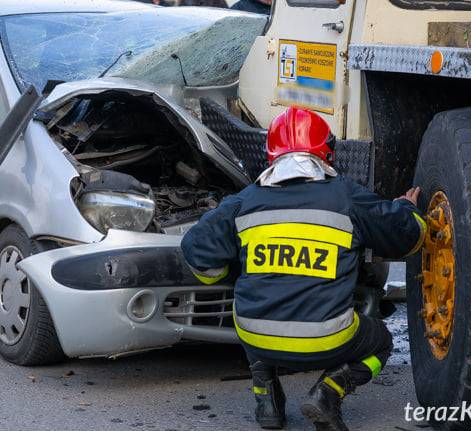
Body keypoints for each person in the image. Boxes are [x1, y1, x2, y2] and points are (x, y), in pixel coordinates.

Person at [180, 107, 426, 430]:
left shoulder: (243, 202)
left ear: (272, 156)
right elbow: (408, 235)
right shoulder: (344, 196)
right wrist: (407, 207)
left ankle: (266, 399)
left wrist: (237, 277)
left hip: (256, 334)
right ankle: (328, 392)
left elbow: (194, 250)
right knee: (381, 343)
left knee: (255, 306)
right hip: (328, 339)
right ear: (326, 152)